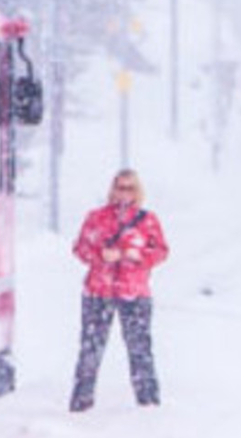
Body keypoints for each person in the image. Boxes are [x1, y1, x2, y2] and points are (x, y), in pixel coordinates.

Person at [70, 168, 168, 411]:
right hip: (98, 291)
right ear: (113, 189)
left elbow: (161, 251)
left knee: (140, 350)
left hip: (134, 291)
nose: (124, 193)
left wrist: (138, 256)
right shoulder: (96, 218)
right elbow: (80, 248)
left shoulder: (147, 220)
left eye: (130, 188)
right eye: (120, 187)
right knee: (90, 349)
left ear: (138, 191)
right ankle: (81, 403)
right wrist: (99, 255)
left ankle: (148, 402)